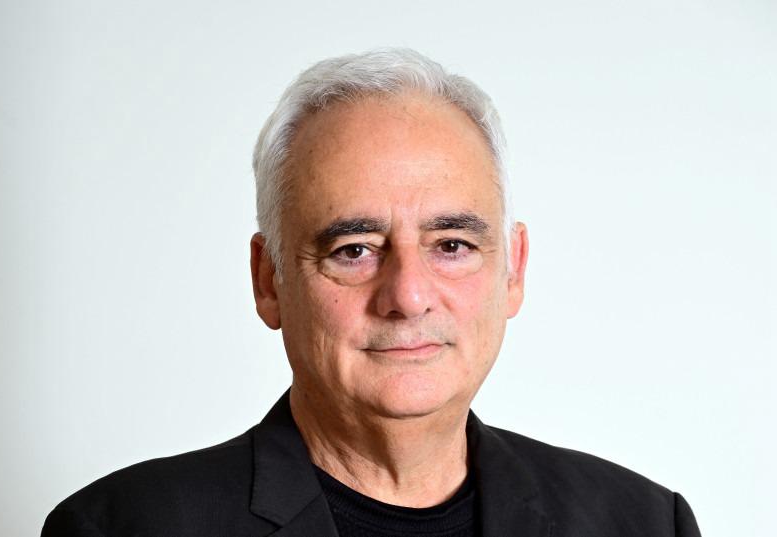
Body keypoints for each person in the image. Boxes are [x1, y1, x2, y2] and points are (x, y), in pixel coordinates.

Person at [42, 48, 701, 537]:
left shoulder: (641, 522)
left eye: (451, 245)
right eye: (353, 250)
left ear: (514, 270)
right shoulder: (120, 527)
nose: (409, 295)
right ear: (268, 280)